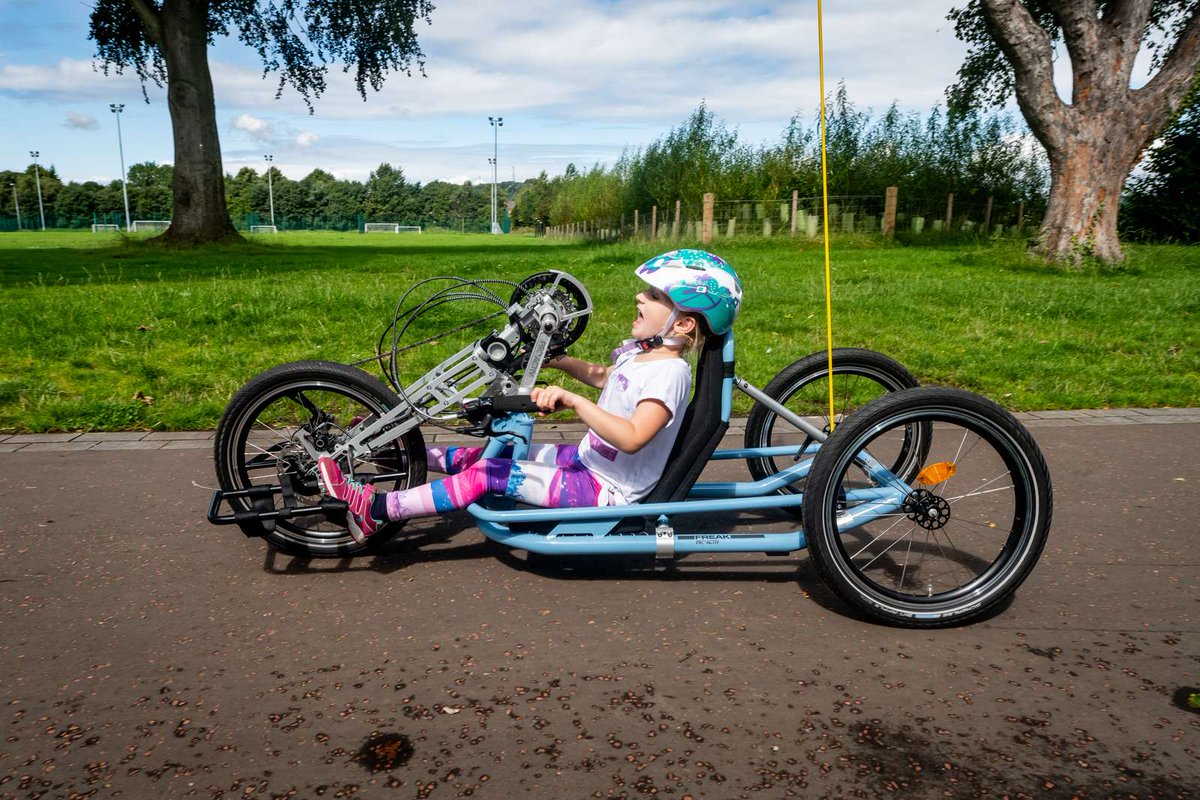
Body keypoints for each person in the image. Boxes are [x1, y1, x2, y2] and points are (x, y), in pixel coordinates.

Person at [317, 249, 743, 544]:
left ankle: (375, 510)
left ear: (683, 324)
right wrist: (559, 363)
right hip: (587, 462)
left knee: (485, 476)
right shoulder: (644, 356)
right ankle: (397, 457)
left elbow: (632, 436)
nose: (639, 296)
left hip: (606, 490)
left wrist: (575, 402)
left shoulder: (670, 374)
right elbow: (608, 378)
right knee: (481, 457)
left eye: (654, 296)